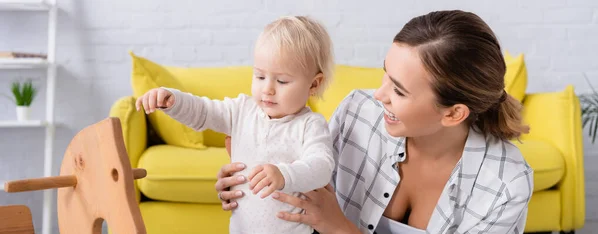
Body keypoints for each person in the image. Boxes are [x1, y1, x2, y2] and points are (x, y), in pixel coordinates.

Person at [215, 10, 534, 234]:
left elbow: (328, 218)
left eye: (399, 90)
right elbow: (307, 183)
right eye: (385, 74)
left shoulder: (503, 184)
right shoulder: (359, 112)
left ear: (453, 113)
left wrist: (339, 228)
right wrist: (250, 188)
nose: (379, 94)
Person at [135, 15, 336, 234]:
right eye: (260, 76)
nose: (267, 89)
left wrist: (284, 174)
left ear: (314, 84)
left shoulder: (310, 125)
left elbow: (321, 167)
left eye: (282, 81)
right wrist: (173, 101)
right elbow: (204, 112)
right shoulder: (242, 110)